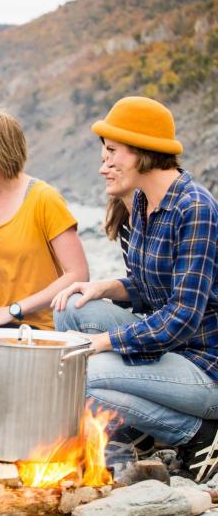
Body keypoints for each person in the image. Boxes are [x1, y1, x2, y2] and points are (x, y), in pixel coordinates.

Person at [52, 96, 218, 482]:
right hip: (171, 350)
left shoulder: (195, 209)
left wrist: (101, 342)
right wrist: (101, 287)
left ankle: (198, 436)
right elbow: (149, 286)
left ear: (143, 152)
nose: (102, 165)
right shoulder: (143, 201)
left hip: (206, 367)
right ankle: (142, 428)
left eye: (111, 152)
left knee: (80, 373)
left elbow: (181, 317)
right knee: (71, 306)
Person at [0, 109, 88, 330]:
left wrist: (14, 309)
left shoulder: (44, 199)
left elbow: (78, 274)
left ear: (3, 152)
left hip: (45, 329)